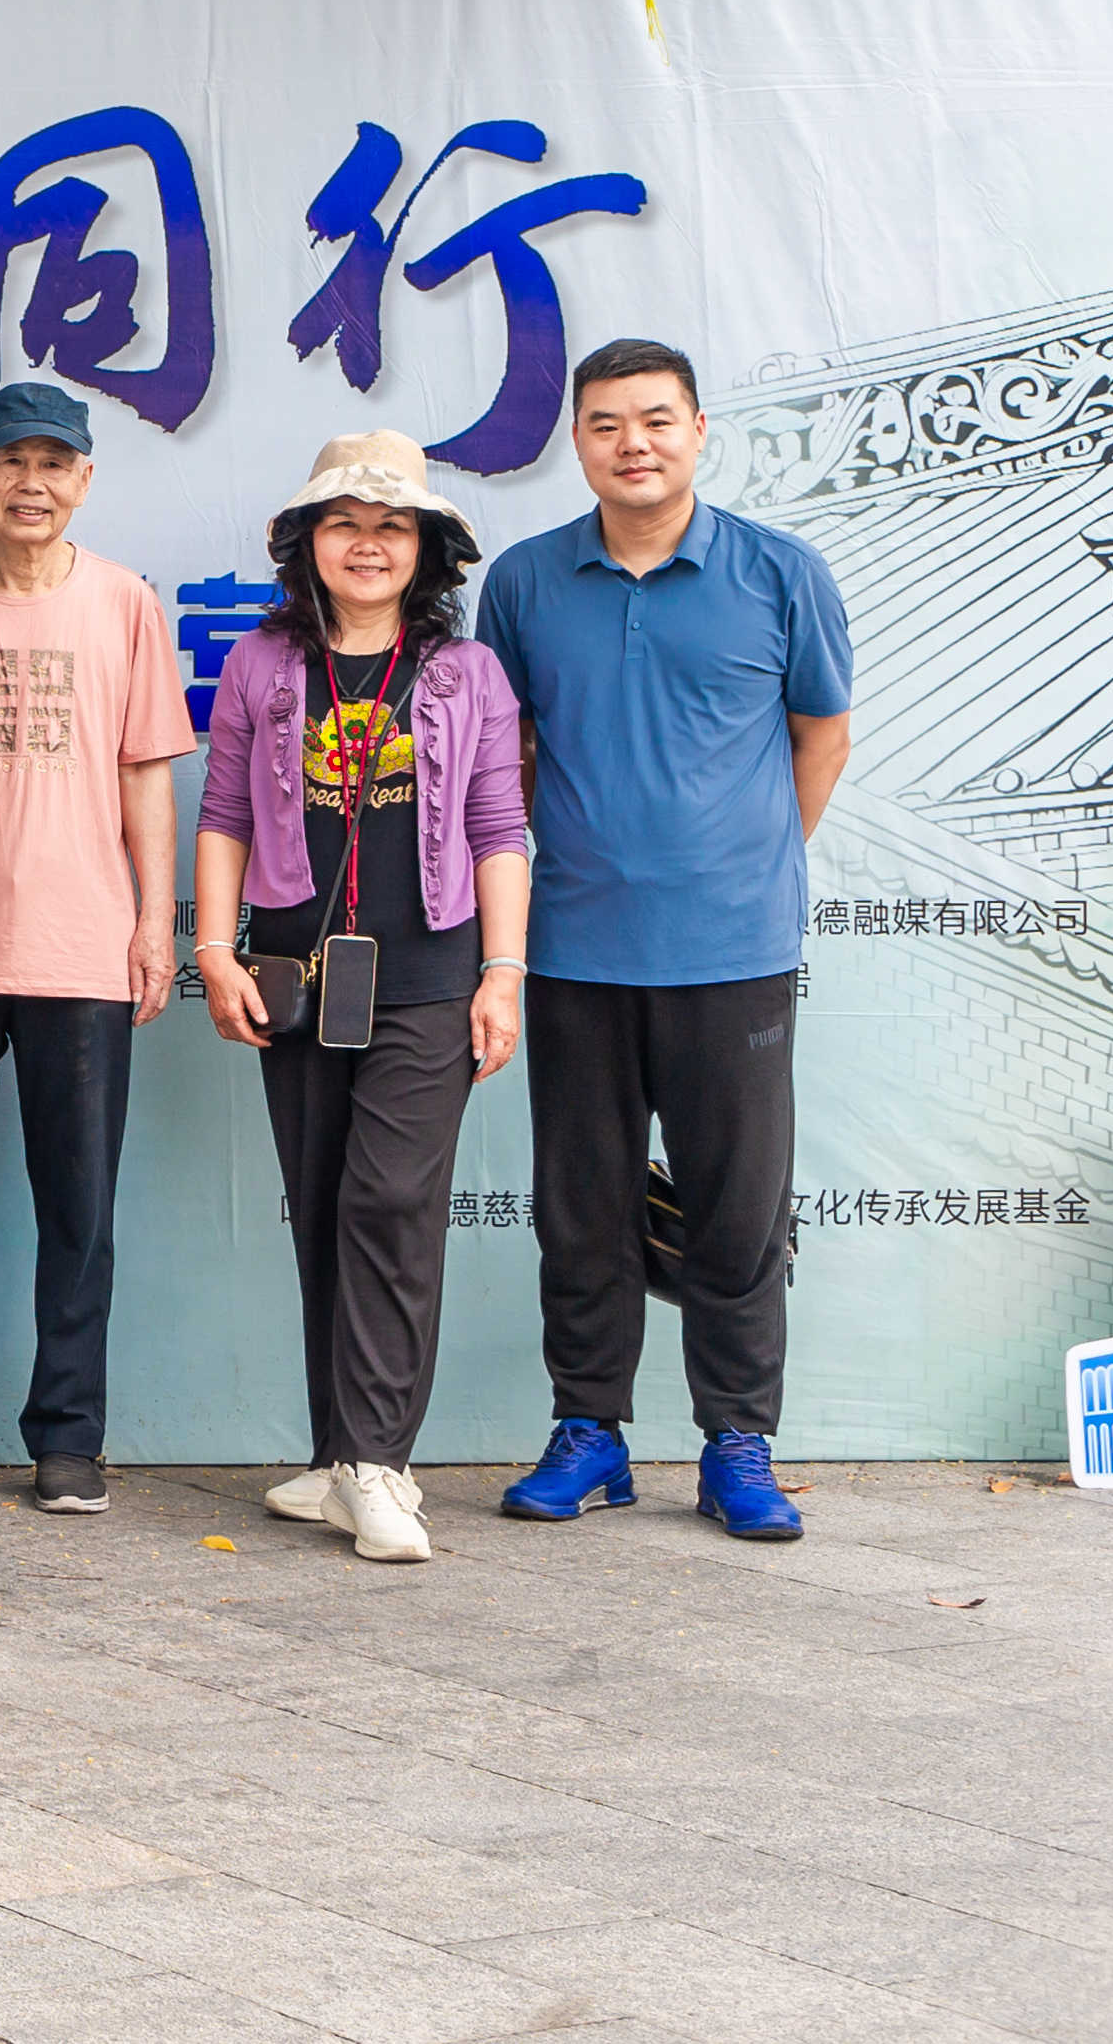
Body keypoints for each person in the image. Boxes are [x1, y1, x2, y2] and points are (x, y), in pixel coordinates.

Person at [478, 338, 853, 1543]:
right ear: (578, 442)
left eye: (654, 419)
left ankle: (737, 1442)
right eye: (605, 423)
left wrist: (743, 864)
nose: (632, 442)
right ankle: (588, 1431)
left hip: (733, 952)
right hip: (574, 945)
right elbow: (507, 756)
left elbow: (821, 736)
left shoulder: (779, 573)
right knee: (582, 1205)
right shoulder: (526, 583)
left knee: (737, 1210)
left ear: (697, 430)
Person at [196, 434, 531, 1566]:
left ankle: (381, 1465)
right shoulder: (261, 665)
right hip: (296, 979)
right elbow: (225, 815)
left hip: (429, 979)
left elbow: (498, 828)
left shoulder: (466, 673)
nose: (369, 544)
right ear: (308, 544)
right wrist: (214, 949)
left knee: (391, 1203)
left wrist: (501, 970)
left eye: (393, 526)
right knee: (324, 1203)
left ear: (426, 549)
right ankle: (339, 1454)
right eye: (344, 523)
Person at [0, 383, 192, 1518]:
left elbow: (144, 771)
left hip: (81, 949)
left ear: (84, 480)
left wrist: (153, 921)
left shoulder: (123, 603)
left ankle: (68, 1437)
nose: (32, 482)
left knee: (79, 1208)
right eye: (11, 460)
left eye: (54, 464)